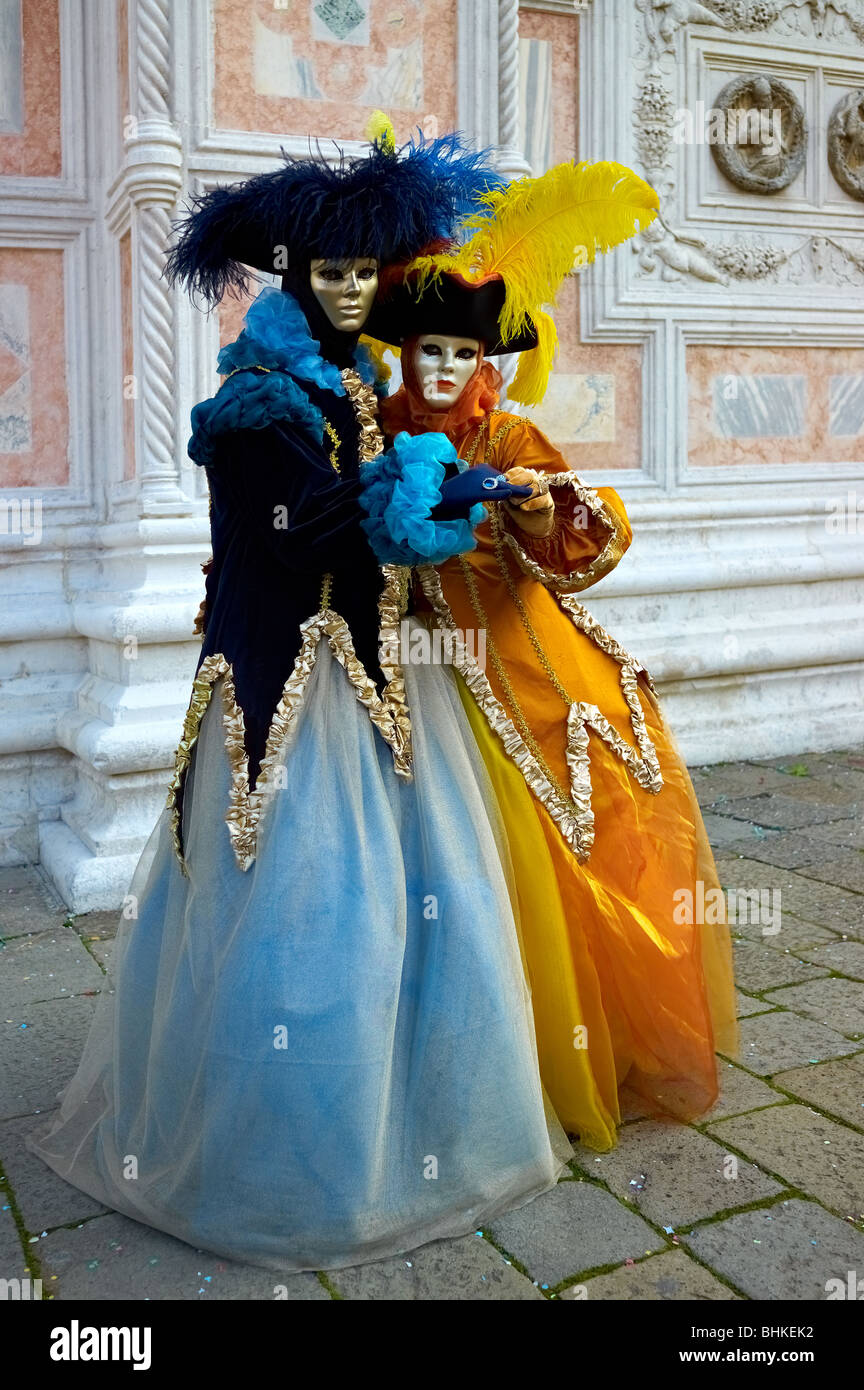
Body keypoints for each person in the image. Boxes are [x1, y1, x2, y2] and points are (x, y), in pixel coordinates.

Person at [26, 120, 574, 1272]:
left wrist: (442, 487)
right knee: (309, 911)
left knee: (406, 905)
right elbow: (295, 536)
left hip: (378, 678)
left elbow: (371, 522)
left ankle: (407, 1123)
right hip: (292, 684)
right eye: (328, 270)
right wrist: (423, 490)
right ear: (293, 277)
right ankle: (288, 1163)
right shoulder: (255, 404)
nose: (348, 286)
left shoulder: (352, 382)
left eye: (363, 271)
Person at [364, 159, 738, 1152]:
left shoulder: (510, 429)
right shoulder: (372, 432)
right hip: (409, 675)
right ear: (400, 357)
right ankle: (429, 1072)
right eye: (424, 353)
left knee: (586, 833)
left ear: (482, 358)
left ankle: (559, 1053)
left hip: (522, 668)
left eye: (456, 353)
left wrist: (536, 506)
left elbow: (593, 533)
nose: (439, 371)